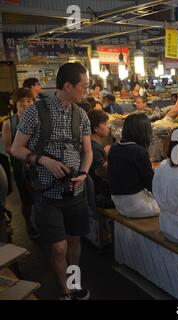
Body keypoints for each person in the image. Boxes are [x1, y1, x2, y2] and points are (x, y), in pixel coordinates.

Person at [11, 62, 93, 300]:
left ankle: (75, 283)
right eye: (84, 87)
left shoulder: (81, 114)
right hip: (47, 194)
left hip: (75, 191)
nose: (86, 92)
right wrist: (43, 160)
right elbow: (16, 148)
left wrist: (84, 173)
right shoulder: (35, 111)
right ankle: (65, 290)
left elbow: (87, 151)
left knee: (75, 241)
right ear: (67, 86)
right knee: (59, 246)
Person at [1, 88, 39, 239]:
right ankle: (29, 224)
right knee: (26, 197)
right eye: (21, 101)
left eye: (29, 101)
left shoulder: (38, 119)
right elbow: (8, 148)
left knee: (42, 194)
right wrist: (26, 156)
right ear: (15, 103)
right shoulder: (9, 123)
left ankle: (43, 222)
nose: (26, 104)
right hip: (20, 165)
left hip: (38, 162)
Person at [108, 113, 159, 218]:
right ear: (144, 131)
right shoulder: (139, 151)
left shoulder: (114, 148)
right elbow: (150, 182)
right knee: (172, 206)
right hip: (134, 204)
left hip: (117, 202)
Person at [87, 109, 113, 208]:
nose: (109, 126)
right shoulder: (93, 148)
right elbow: (103, 173)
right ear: (96, 128)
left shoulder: (93, 145)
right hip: (101, 196)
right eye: (105, 124)